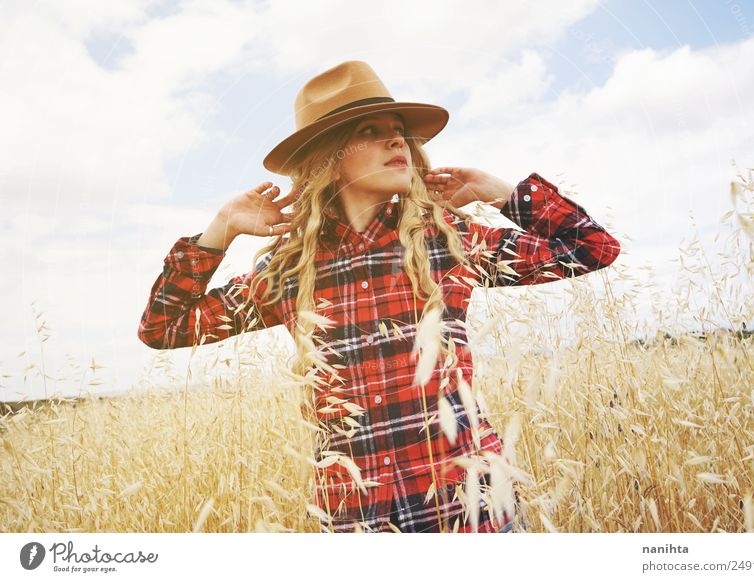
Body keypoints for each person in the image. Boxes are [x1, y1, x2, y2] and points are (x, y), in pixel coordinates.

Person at [137, 60, 621, 533]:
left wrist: (496, 191)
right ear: (326, 157)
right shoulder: (289, 270)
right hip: (358, 520)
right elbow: (163, 328)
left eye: (399, 130)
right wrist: (219, 231)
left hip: (470, 514)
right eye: (370, 130)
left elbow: (593, 248)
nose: (397, 140)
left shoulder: (446, 241)